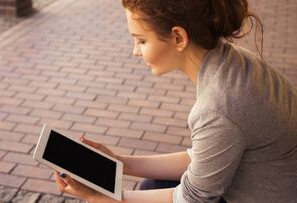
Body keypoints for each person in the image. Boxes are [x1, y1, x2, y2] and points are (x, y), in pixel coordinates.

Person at [54, 0, 297, 202]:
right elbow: (203, 157)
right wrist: (121, 163)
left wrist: (100, 198)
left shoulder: (218, 106)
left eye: (141, 40)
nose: (135, 51)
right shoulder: (232, 62)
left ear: (178, 37)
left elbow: (193, 198)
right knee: (152, 186)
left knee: (150, 190)